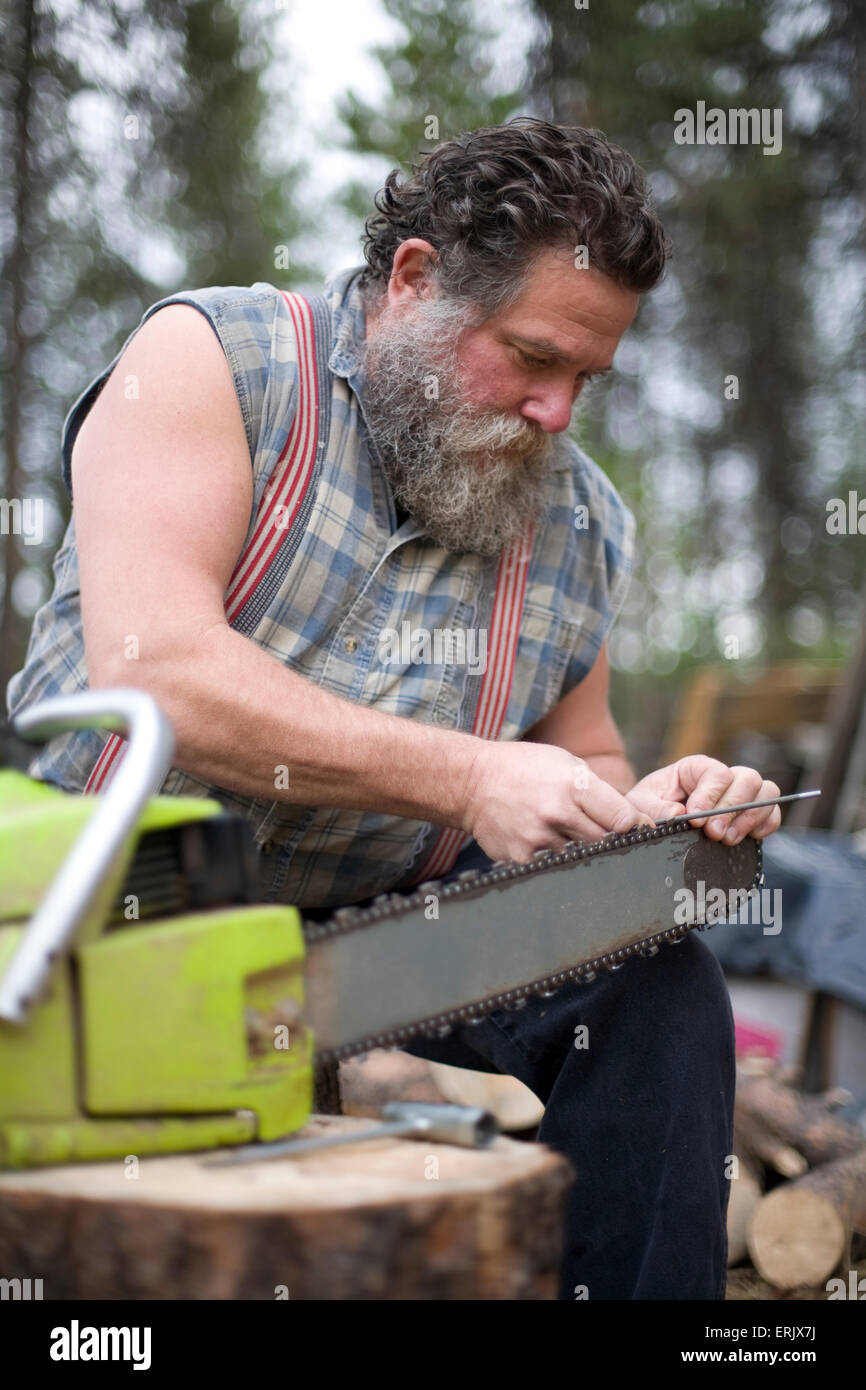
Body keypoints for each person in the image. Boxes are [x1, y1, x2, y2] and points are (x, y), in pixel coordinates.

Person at [6, 117, 781, 1298]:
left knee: (651, 980)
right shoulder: (218, 359)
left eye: (586, 376)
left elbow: (584, 759)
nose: (557, 411)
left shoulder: (578, 520)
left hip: (363, 949)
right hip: (94, 913)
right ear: (414, 279)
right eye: (530, 355)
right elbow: (150, 667)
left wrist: (654, 812)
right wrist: (468, 775)